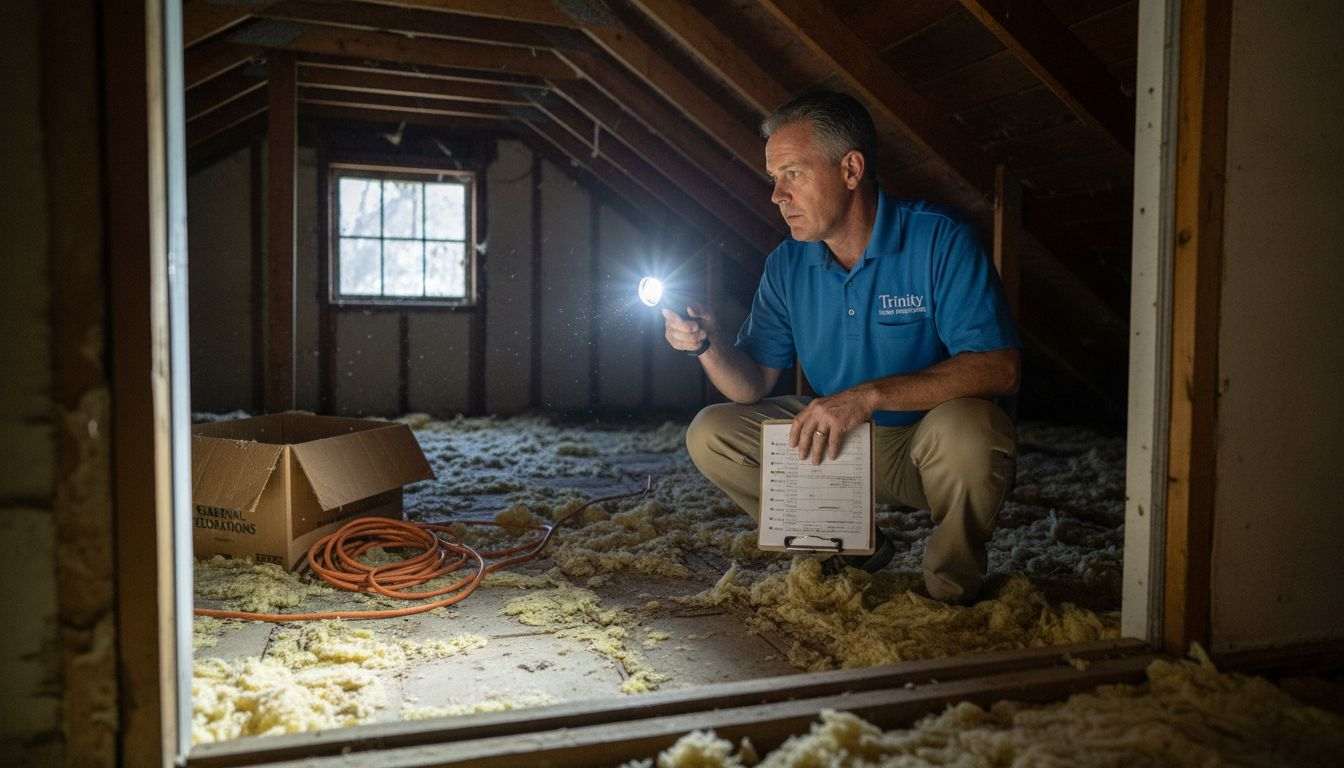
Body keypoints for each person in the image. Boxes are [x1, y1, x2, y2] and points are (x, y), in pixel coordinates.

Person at [661, 90, 1020, 604]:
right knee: (712, 432)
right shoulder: (787, 264)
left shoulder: (939, 240)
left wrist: (867, 396)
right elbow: (752, 385)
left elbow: (1000, 368)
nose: (776, 196)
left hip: (926, 447)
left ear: (851, 169)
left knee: (977, 431)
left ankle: (950, 588)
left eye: (793, 174)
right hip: (834, 446)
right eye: (774, 179)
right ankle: (846, 551)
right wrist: (706, 345)